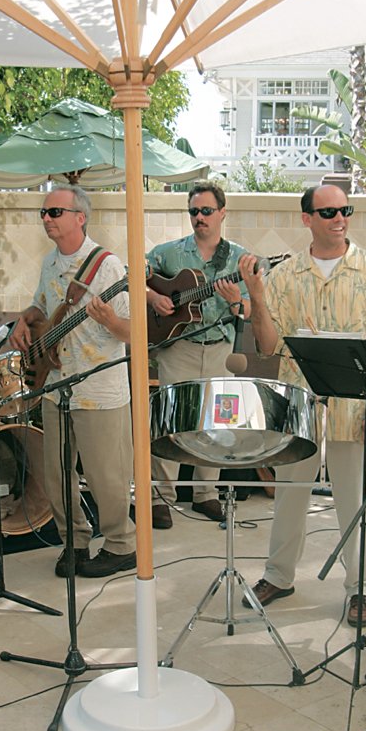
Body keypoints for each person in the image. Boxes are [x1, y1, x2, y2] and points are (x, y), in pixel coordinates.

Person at [237, 184, 366, 628]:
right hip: (301, 404)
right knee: (288, 498)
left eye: (345, 210)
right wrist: (257, 296)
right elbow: (269, 344)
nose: (339, 218)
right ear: (307, 219)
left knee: (357, 504)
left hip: (358, 406)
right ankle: (279, 576)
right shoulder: (285, 276)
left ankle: (361, 588)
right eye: (329, 211)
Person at [8, 184, 136, 579]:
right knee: (57, 472)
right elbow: (43, 306)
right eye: (44, 213)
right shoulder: (49, 263)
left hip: (98, 388)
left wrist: (108, 321)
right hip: (57, 383)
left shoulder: (109, 267)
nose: (47, 218)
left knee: (105, 474)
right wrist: (23, 318)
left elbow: (133, 331)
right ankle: (74, 541)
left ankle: (121, 545)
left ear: (80, 217)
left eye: (55, 212)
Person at [144, 181, 250, 527]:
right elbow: (133, 275)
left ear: (222, 213)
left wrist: (236, 299)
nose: (200, 217)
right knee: (170, 420)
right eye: (194, 211)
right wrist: (152, 298)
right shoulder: (169, 253)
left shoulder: (240, 259)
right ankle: (162, 497)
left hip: (221, 349)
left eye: (206, 211)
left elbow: (249, 310)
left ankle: (206, 493)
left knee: (219, 422)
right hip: (180, 347)